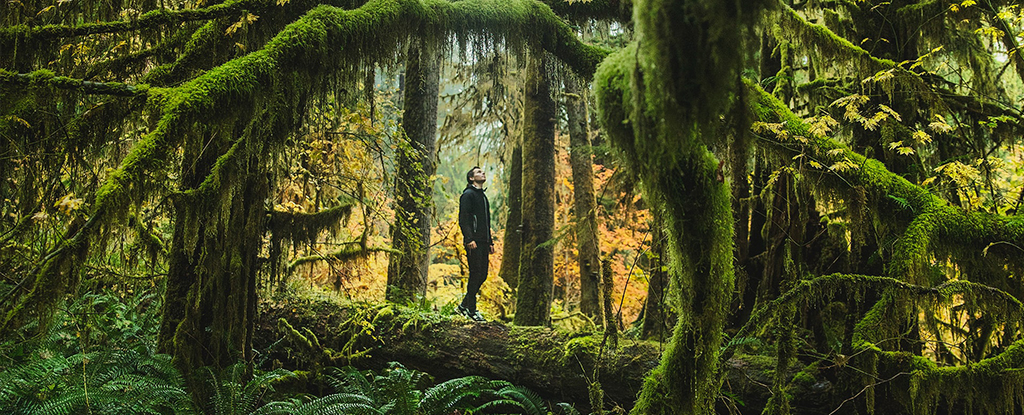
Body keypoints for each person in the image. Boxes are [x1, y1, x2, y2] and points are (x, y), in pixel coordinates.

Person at [457, 166, 493, 322]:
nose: (482, 173)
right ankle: (471, 310)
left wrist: (490, 241)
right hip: (473, 242)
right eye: (478, 172)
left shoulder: (483, 197)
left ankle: (463, 306)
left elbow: (486, 222)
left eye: (482, 172)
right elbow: (464, 219)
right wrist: (469, 238)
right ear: (471, 178)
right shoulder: (468, 195)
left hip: (484, 242)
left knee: (483, 274)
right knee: (475, 274)